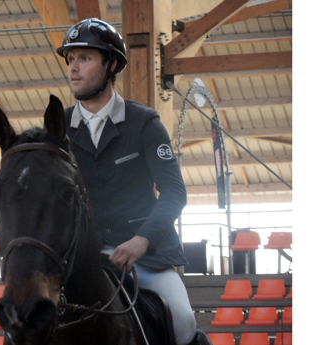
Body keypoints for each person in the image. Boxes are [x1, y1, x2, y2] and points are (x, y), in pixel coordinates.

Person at [56, 18, 203, 345]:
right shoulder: (60, 127)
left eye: (85, 58)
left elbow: (175, 193)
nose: (73, 68)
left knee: (183, 322)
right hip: (83, 261)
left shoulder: (144, 123)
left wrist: (142, 240)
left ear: (111, 65)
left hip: (145, 258)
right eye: (70, 59)